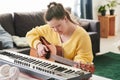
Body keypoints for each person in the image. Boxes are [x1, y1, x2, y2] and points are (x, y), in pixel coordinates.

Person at [26, 2, 94, 73]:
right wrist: (38, 45)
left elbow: (84, 57)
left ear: (65, 18)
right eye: (52, 27)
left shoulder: (82, 36)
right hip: (49, 70)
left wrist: (79, 63)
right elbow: (30, 34)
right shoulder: (49, 29)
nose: (55, 30)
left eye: (58, 26)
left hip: (69, 73)